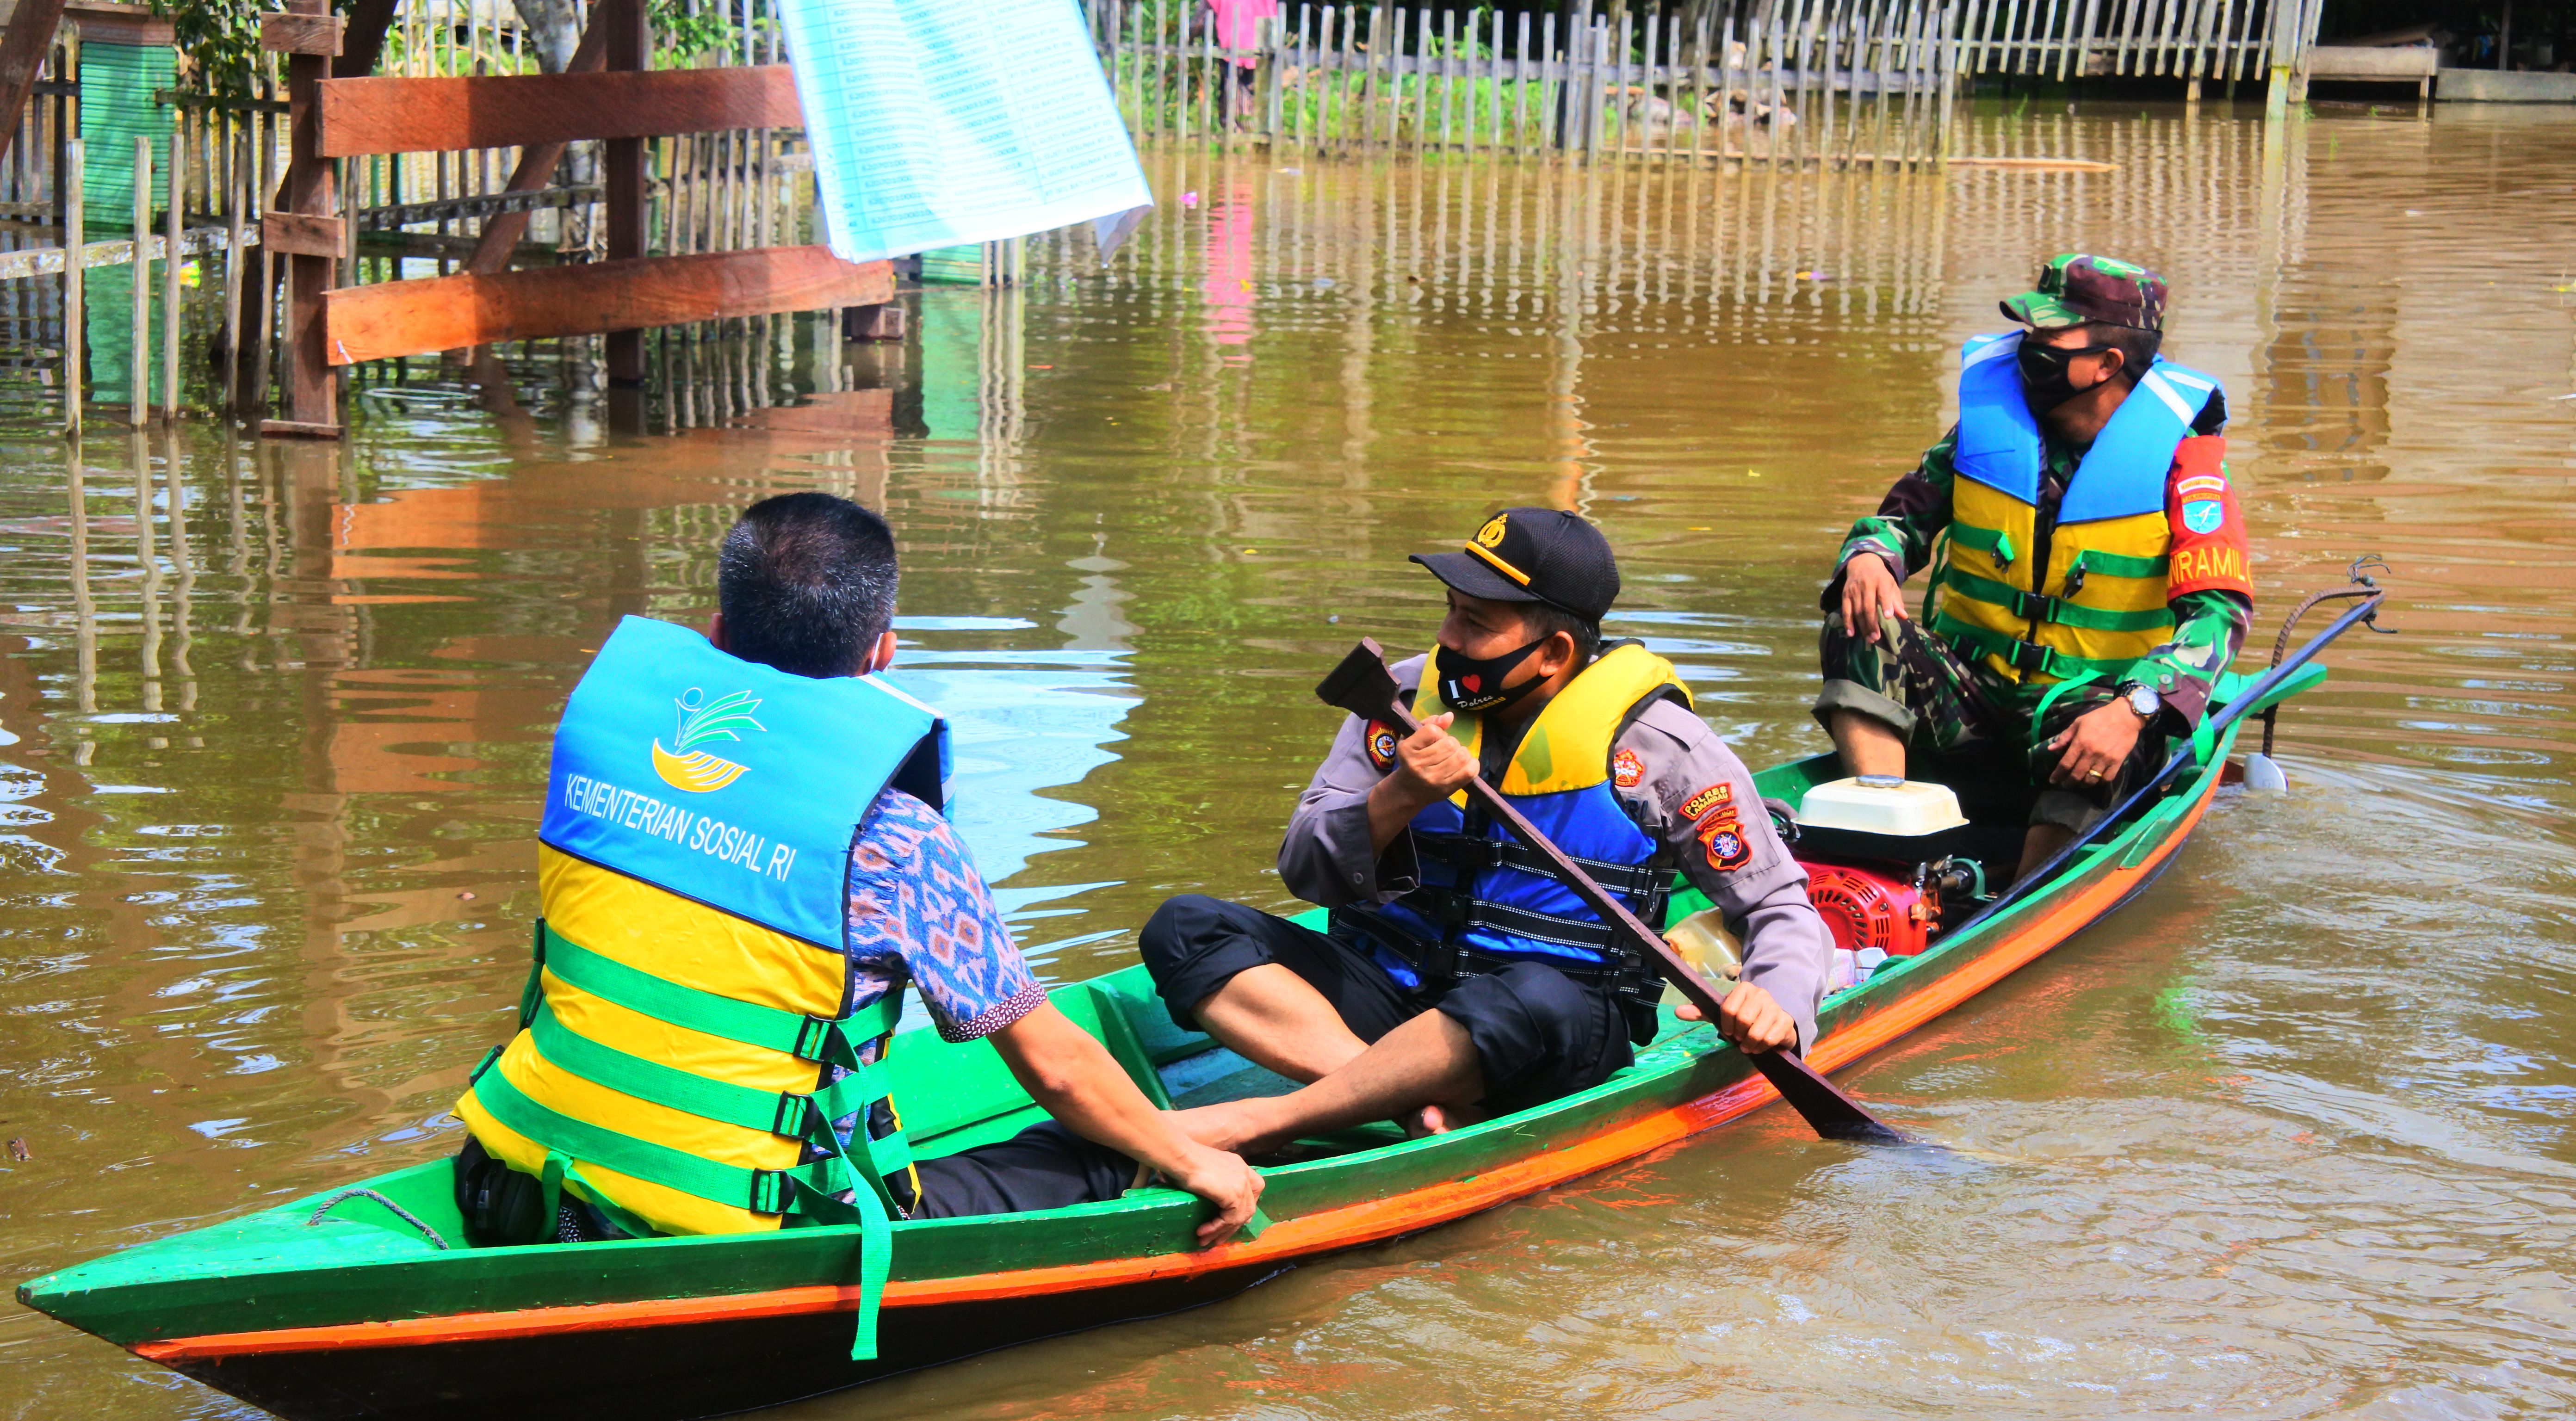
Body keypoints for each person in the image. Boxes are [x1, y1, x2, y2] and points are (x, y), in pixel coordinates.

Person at [449, 493, 1263, 1250]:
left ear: (717, 632)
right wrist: (1198, 1164)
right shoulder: (898, 839)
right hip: (741, 1225)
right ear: (884, 649)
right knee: (1096, 1152)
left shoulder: (603, 753)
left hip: (507, 1176)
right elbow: (1054, 1067)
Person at [1141, 507, 1835, 1158]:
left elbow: (1780, 911)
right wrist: (1399, 795)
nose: (1447, 637)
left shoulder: (1661, 749)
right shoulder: (1397, 705)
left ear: (1554, 653)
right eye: (1449, 610)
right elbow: (1304, 868)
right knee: (1186, 927)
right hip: (1385, 1001)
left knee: (1534, 994)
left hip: (1542, 1030)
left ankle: (1269, 1119)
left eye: (1474, 622)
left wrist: (1776, 1003)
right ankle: (1389, 1093)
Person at [1816, 253, 2255, 876]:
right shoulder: (1989, 431)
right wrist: (1870, 558)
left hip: (2088, 708)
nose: (2031, 349)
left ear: (2107, 364)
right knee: (1856, 618)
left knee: (2104, 741)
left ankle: (2019, 900)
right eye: (2030, 334)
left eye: (2051, 338)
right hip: (1974, 694)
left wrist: (2137, 707)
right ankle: (1889, 843)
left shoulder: (2185, 465)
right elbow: (1899, 522)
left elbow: (2220, 613)